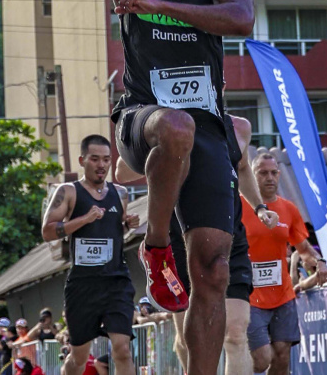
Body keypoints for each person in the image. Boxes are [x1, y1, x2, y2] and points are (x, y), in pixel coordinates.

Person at [35, 0, 255, 375]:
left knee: (214, 271)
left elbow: (241, 18)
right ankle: (156, 245)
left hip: (206, 130)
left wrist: (156, 5)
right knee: (175, 125)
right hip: (144, 123)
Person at [116, 115, 279, 375]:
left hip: (228, 234)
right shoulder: (171, 124)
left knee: (236, 334)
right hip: (178, 236)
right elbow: (121, 172)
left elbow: (244, 168)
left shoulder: (239, 126)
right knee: (186, 341)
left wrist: (259, 207)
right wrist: (163, 149)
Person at [41, 135, 141, 375]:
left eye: (106, 159)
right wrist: (84, 219)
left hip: (116, 281)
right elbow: (47, 231)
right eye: (94, 159)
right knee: (78, 357)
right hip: (83, 285)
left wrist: (127, 223)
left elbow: (115, 229)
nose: (101, 165)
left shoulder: (120, 193)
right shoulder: (68, 192)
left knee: (123, 350)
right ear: (82, 160)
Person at [245, 153, 327, 375]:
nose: (270, 178)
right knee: (262, 359)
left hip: (282, 294)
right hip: (250, 295)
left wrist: (320, 262)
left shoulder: (288, 209)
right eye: (263, 173)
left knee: (283, 354)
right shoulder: (240, 207)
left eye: (274, 172)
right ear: (252, 176)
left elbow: (303, 249)